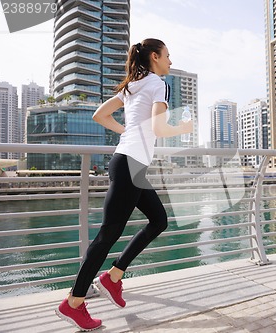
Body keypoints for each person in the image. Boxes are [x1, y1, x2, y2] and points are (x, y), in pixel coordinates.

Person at [55, 38, 193, 331]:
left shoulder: (134, 85)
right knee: (107, 236)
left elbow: (100, 115)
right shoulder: (157, 83)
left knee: (159, 220)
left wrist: (127, 130)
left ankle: (113, 277)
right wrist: (183, 128)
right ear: (155, 57)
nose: (170, 60)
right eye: (168, 55)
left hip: (130, 163)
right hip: (130, 163)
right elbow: (158, 128)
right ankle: (74, 302)